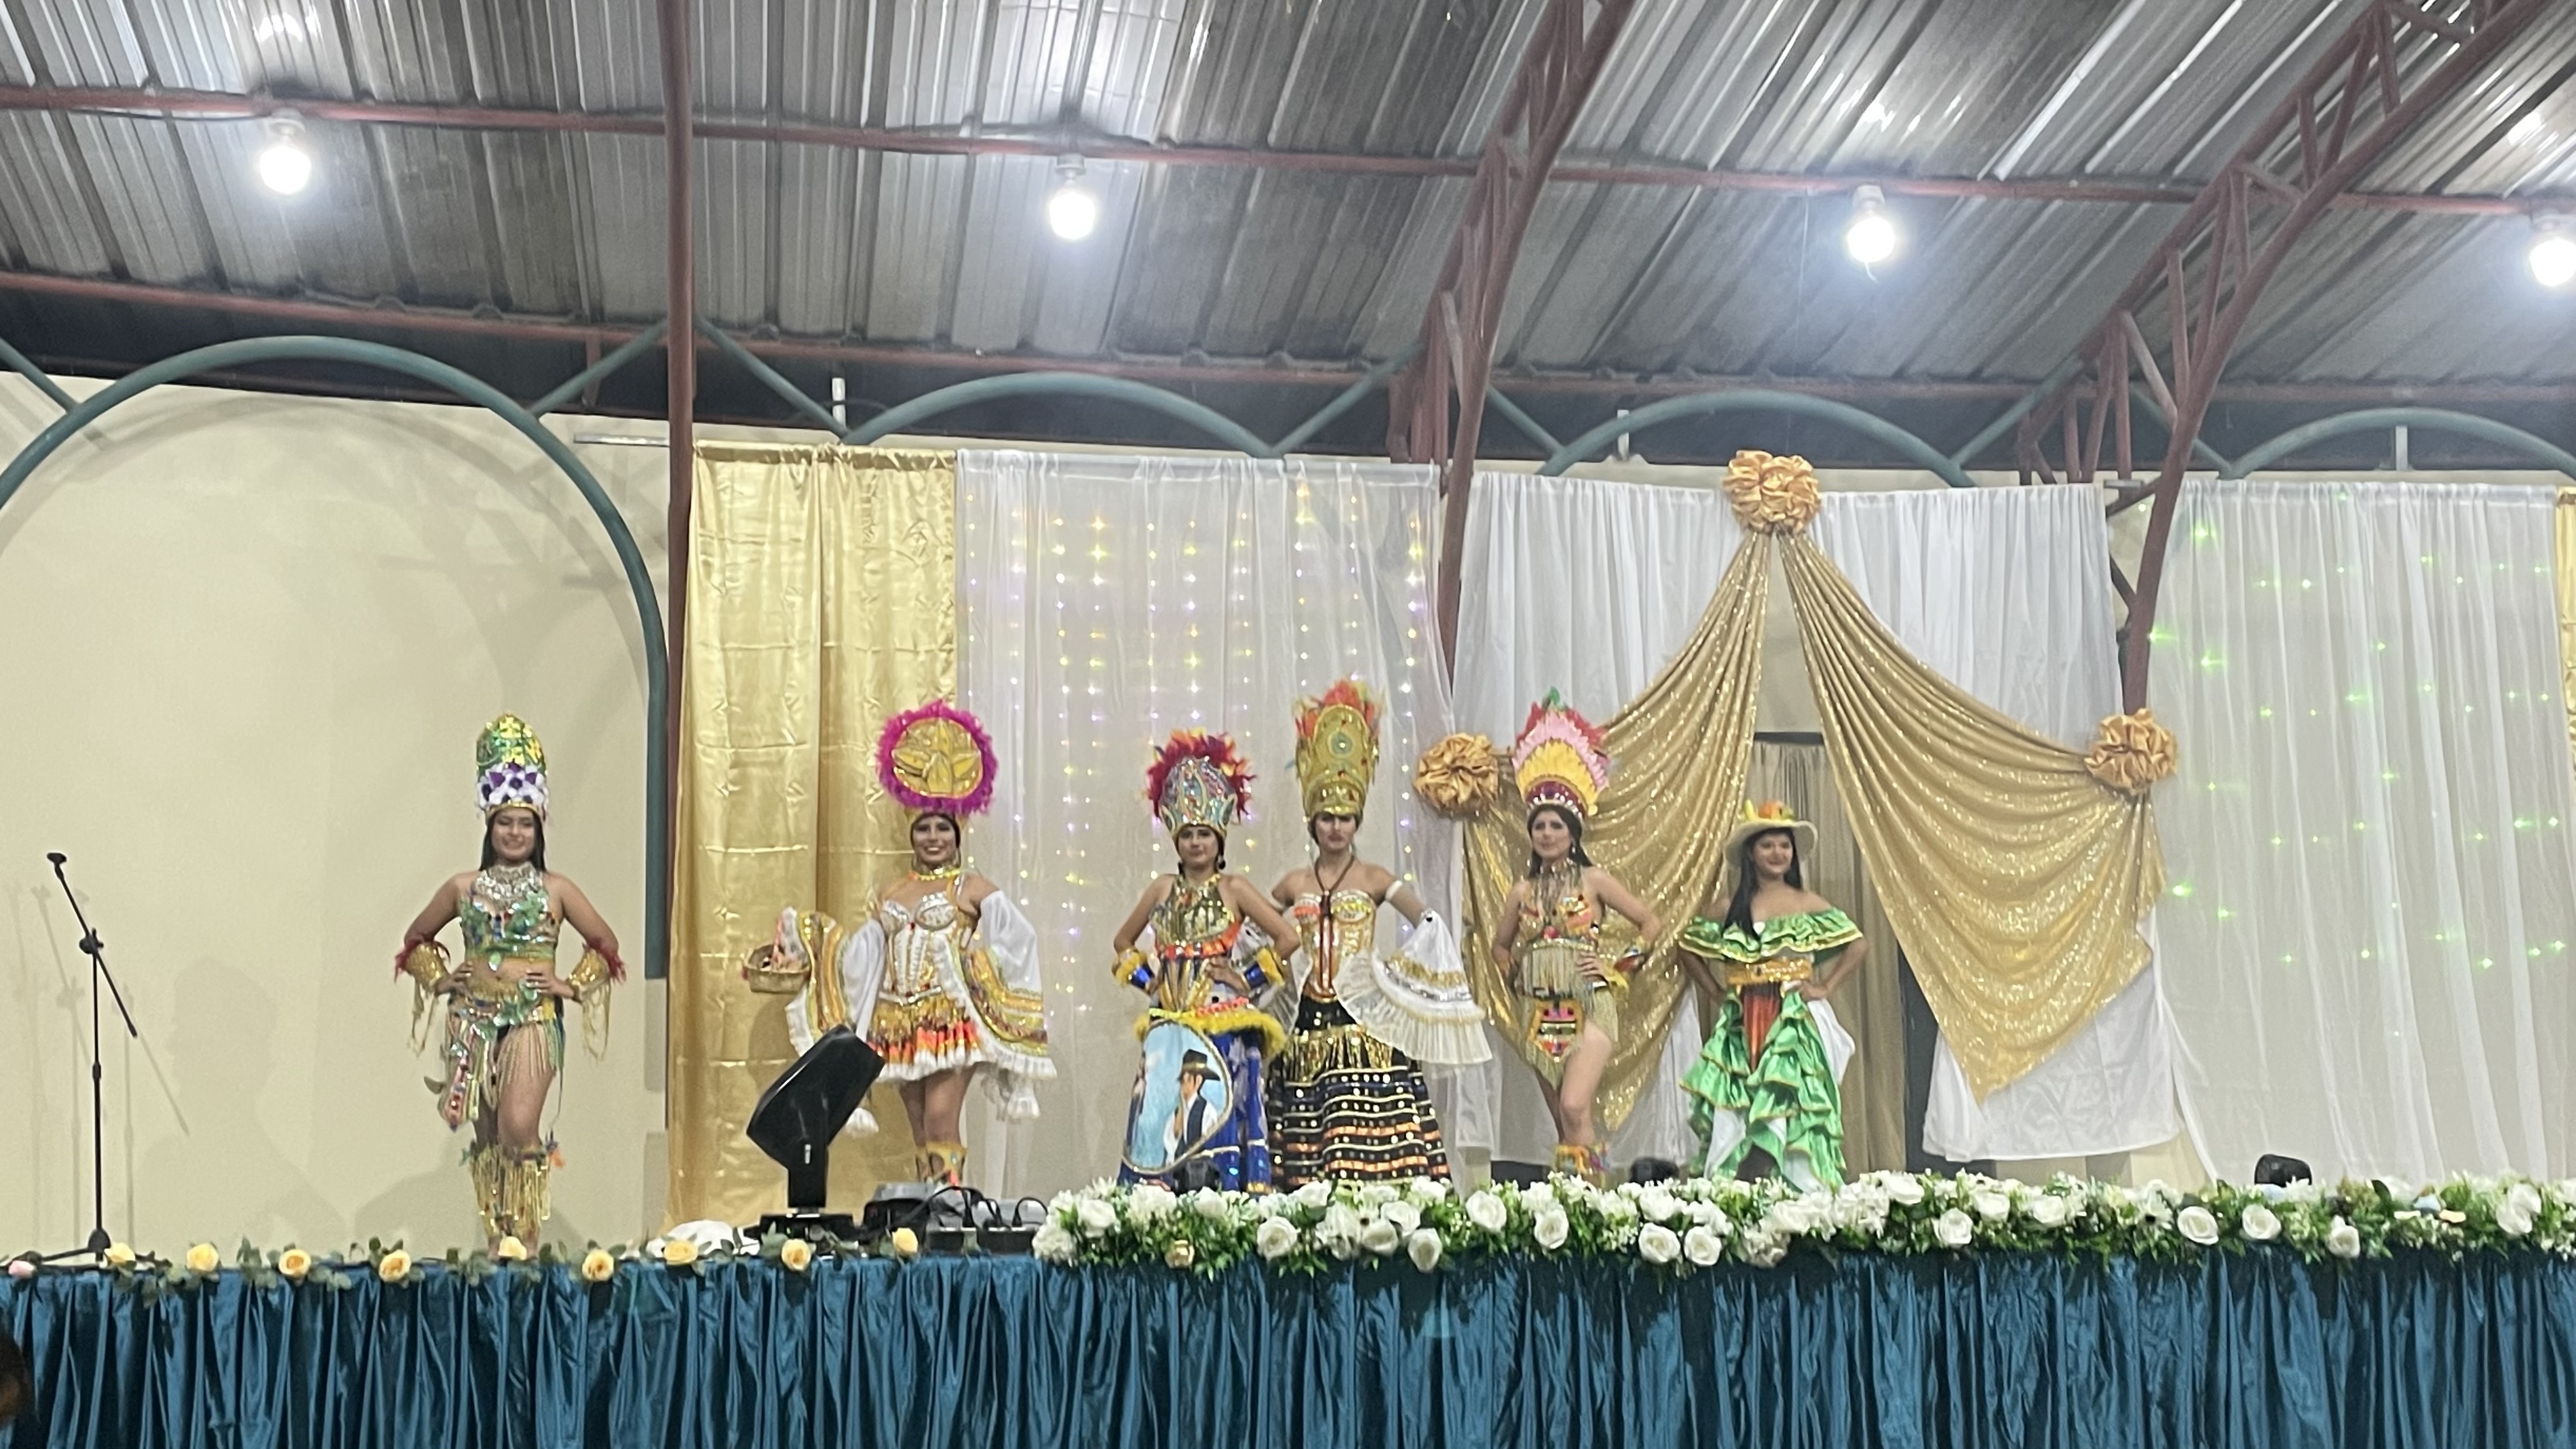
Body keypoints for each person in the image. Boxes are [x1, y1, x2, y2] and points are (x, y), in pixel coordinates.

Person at [744, 701, 1054, 1186]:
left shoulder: (969, 887)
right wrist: (809, 941)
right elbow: (860, 960)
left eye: (942, 829)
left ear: (957, 835)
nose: (933, 838)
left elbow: (1019, 938)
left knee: (941, 1119)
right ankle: (931, 1209)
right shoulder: (893, 892)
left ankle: (950, 1209)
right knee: (919, 1129)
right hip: (898, 1020)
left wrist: (974, 968)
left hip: (948, 1018)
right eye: (923, 828)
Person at [397, 714, 621, 1246]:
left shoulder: (556, 889)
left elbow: (605, 946)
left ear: (538, 827)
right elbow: (416, 941)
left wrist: (568, 985)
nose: (515, 833)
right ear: (489, 825)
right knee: (489, 1136)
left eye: (525, 823)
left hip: (532, 1020)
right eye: (505, 822)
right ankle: (499, 1242)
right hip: (472, 1022)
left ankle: (526, 1239)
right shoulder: (463, 887)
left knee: (518, 1127)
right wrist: (443, 979)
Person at [1268, 680, 1487, 1186]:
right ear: (1313, 822)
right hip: (1305, 1022)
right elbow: (1252, 928)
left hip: (1364, 1018)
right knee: (1311, 1136)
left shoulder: (1374, 878)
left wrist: (1393, 978)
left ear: (1357, 821)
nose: (1336, 827)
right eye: (1327, 818)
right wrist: (1261, 971)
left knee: (1361, 1131)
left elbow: (1429, 923)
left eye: (1345, 818)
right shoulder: (1293, 883)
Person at [1110, 730, 1302, 1192]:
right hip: (1169, 1023)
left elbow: (1288, 938)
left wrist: (1245, 977)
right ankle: (1157, 1199)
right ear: (1176, 839)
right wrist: (1148, 980)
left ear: (1219, 839)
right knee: (1159, 1116)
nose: (1196, 843)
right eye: (1188, 835)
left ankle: (1221, 1200)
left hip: (1221, 1020)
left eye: (1204, 835)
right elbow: (1122, 942)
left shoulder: (1234, 889)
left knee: (1215, 1108)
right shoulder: (1161, 889)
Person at [1489, 692, 1662, 1185]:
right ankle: (1576, 1204)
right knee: (1565, 1121)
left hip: (1589, 1002)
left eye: (1556, 825)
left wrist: (1617, 967)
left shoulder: (1594, 880)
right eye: (1539, 826)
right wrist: (1515, 972)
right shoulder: (1521, 890)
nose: (1547, 834)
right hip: (1538, 1009)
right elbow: (1500, 946)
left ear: (1572, 831)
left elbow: (1650, 923)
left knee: (1574, 1103)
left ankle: (1594, 1200)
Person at [1678, 802, 1866, 1188]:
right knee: (1742, 1108)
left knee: (1788, 1100)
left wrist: (1825, 987)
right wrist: (1715, 991)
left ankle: (1798, 1195)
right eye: (1768, 845)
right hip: (1743, 1020)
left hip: (1792, 1019)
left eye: (1785, 845)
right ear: (1751, 853)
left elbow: (1857, 944)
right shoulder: (1730, 906)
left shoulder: (1807, 901)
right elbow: (1686, 948)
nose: (1778, 853)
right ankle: (1743, 1195)